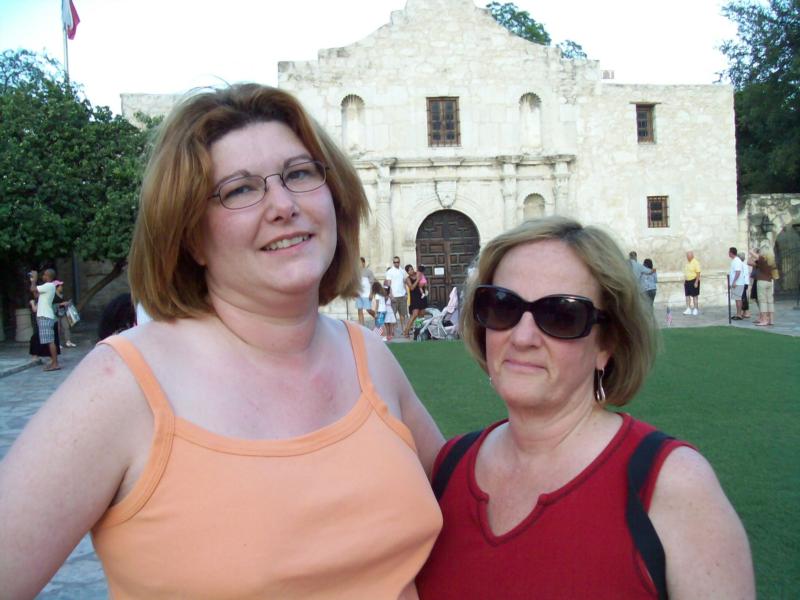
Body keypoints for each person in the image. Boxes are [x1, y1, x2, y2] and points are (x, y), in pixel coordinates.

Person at [0, 84, 444, 599]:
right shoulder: (123, 386)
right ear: (191, 236)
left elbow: (472, 506)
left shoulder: (370, 356)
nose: (282, 205)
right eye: (239, 189)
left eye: (299, 174)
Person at [416, 216, 754, 599]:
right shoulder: (447, 469)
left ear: (607, 343)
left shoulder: (675, 487)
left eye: (561, 314)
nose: (523, 337)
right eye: (502, 305)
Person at [28, 268, 60, 371]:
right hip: (44, 316)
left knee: (50, 341)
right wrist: (33, 282)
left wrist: (34, 280)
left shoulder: (49, 285)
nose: (43, 276)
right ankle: (54, 362)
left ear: (48, 276)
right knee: (48, 341)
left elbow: (33, 289)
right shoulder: (47, 287)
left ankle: (55, 364)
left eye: (44, 275)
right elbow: (36, 294)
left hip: (45, 316)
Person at [751, 247, 777, 326]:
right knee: (770, 301)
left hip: (762, 281)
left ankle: (764, 320)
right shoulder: (772, 261)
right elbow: (775, 274)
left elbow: (751, 253)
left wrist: (755, 249)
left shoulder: (762, 259)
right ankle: (771, 320)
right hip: (769, 281)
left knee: (762, 301)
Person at [403, 264, 428, 338]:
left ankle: (420, 331)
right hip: (415, 298)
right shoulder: (408, 279)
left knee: (422, 314)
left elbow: (423, 282)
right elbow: (412, 288)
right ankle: (406, 331)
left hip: (421, 296)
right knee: (414, 315)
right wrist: (417, 279)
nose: (412, 270)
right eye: (410, 270)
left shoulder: (418, 274)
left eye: (412, 269)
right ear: (407, 272)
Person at [386, 256, 410, 333]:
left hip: (402, 295)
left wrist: (406, 293)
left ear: (399, 262)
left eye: (398, 262)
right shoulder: (390, 272)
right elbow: (388, 284)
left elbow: (404, 283)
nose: (396, 263)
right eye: (395, 262)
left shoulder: (402, 271)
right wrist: (391, 295)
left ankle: (404, 329)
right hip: (394, 296)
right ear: (393, 263)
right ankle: (392, 331)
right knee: (392, 315)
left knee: (403, 315)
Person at [53, 280, 77, 348]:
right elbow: (51, 305)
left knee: (66, 326)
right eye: (60, 286)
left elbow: (64, 302)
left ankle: (68, 341)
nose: (61, 287)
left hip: (63, 312)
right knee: (58, 329)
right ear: (56, 287)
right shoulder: (52, 295)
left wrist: (67, 303)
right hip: (55, 313)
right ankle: (57, 343)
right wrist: (61, 304)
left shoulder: (62, 294)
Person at [356, 257, 375, 326]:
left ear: (363, 263)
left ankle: (378, 318)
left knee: (368, 310)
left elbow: (372, 283)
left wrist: (371, 293)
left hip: (367, 294)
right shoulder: (356, 273)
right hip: (358, 294)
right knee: (359, 311)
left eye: (359, 263)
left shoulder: (368, 272)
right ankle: (362, 327)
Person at [728, 247, 745, 320]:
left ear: (731, 253)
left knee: (738, 299)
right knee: (737, 299)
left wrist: (734, 282)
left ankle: (739, 315)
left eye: (729, 252)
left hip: (738, 283)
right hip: (736, 283)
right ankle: (738, 313)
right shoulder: (735, 260)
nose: (728, 253)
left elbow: (738, 272)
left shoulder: (737, 261)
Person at [683, 250, 701, 315]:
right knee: (687, 296)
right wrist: (685, 280)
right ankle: (688, 309)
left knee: (695, 296)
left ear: (692, 256)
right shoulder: (687, 263)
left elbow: (698, 273)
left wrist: (696, 282)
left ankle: (696, 309)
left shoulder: (696, 262)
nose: (687, 257)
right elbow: (686, 272)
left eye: (688, 256)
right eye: (687, 256)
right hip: (687, 281)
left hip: (694, 280)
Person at [738, 252, 751, 319]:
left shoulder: (741, 265)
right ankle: (744, 311)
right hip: (745, 283)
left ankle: (746, 312)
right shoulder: (744, 265)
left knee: (743, 298)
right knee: (743, 297)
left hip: (742, 283)